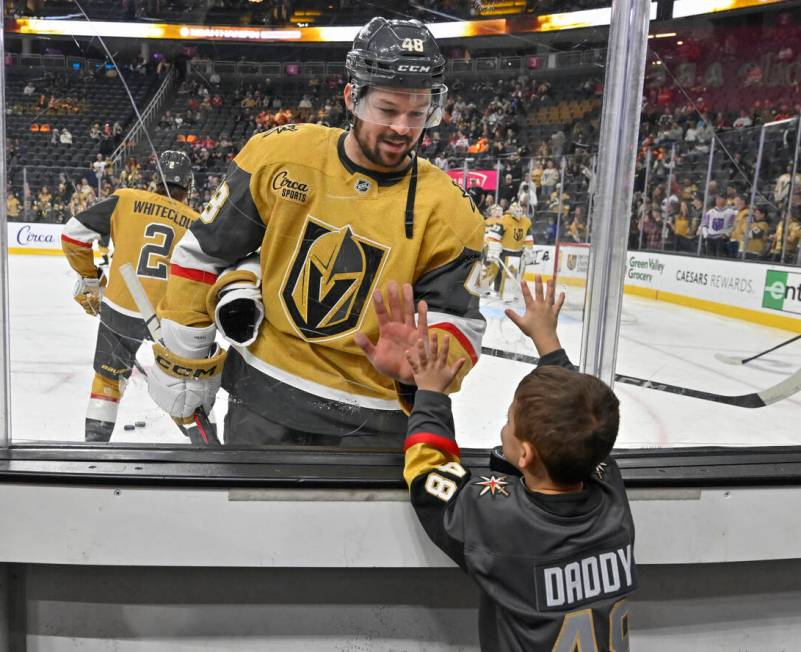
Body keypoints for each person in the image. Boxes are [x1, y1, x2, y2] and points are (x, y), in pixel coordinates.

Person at [150, 17, 485, 446]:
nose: (403, 127)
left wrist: (420, 365)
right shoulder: (279, 155)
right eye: (387, 110)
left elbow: (459, 322)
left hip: (378, 417)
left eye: (417, 113)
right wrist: (186, 358)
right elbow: (203, 255)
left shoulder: (452, 212)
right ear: (352, 97)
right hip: (264, 399)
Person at [395, 276, 635, 652]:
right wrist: (548, 342)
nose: (503, 427)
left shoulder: (501, 520)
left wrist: (429, 394)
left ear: (524, 455)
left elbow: (429, 478)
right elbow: (584, 421)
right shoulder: (611, 492)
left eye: (509, 423)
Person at [60, 151, 204, 444]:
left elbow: (73, 233)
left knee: (108, 379)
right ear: (188, 185)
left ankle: (95, 452)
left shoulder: (125, 199)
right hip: (170, 316)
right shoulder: (197, 222)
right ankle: (209, 450)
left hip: (121, 308)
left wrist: (89, 278)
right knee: (185, 388)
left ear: (155, 178)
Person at [699, 192, 735, 257]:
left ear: (725, 200)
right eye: (717, 198)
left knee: (719, 257)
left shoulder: (730, 212)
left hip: (721, 239)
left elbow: (731, 225)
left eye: (721, 198)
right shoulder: (710, 212)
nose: (718, 200)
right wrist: (706, 235)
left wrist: (726, 234)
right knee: (709, 257)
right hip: (710, 238)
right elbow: (704, 224)